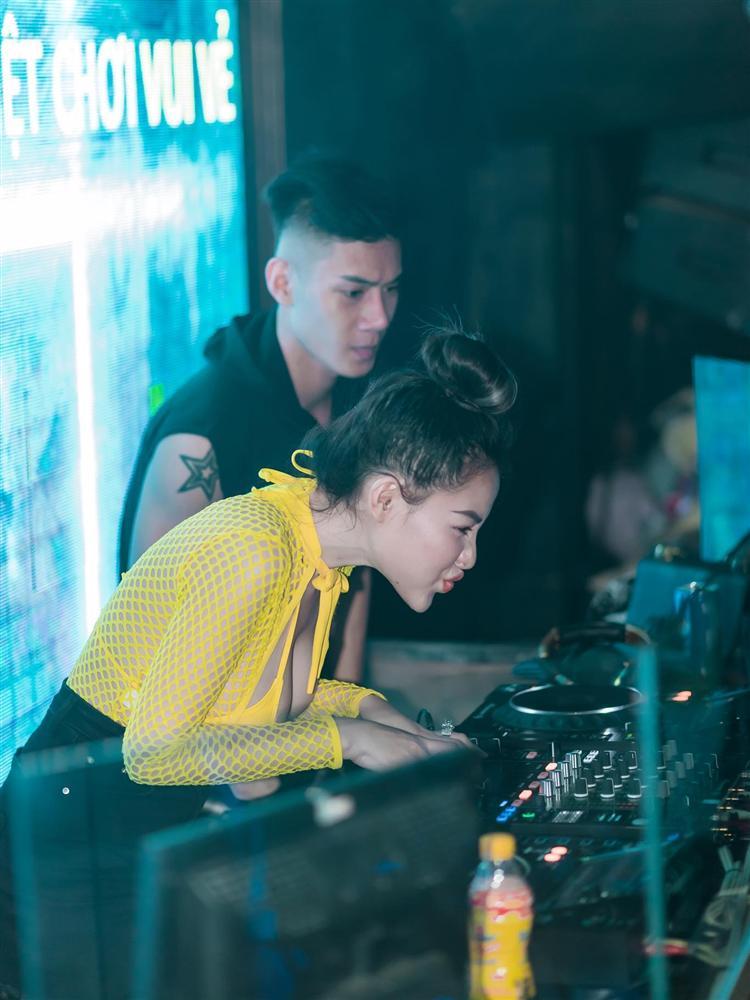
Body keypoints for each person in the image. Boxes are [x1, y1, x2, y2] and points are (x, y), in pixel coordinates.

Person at [0, 326, 515, 999]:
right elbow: (151, 752)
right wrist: (351, 739)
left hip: (125, 832)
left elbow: (267, 696)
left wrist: (397, 731)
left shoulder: (314, 552)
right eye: (462, 527)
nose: (469, 556)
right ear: (386, 498)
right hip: (69, 832)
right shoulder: (256, 550)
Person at [117, 153, 403, 684]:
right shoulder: (202, 435)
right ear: (283, 283)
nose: (380, 317)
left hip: (312, 720)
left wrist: (345, 723)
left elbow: (354, 582)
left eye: (390, 290)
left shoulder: (362, 401)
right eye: (354, 293)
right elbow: (148, 653)